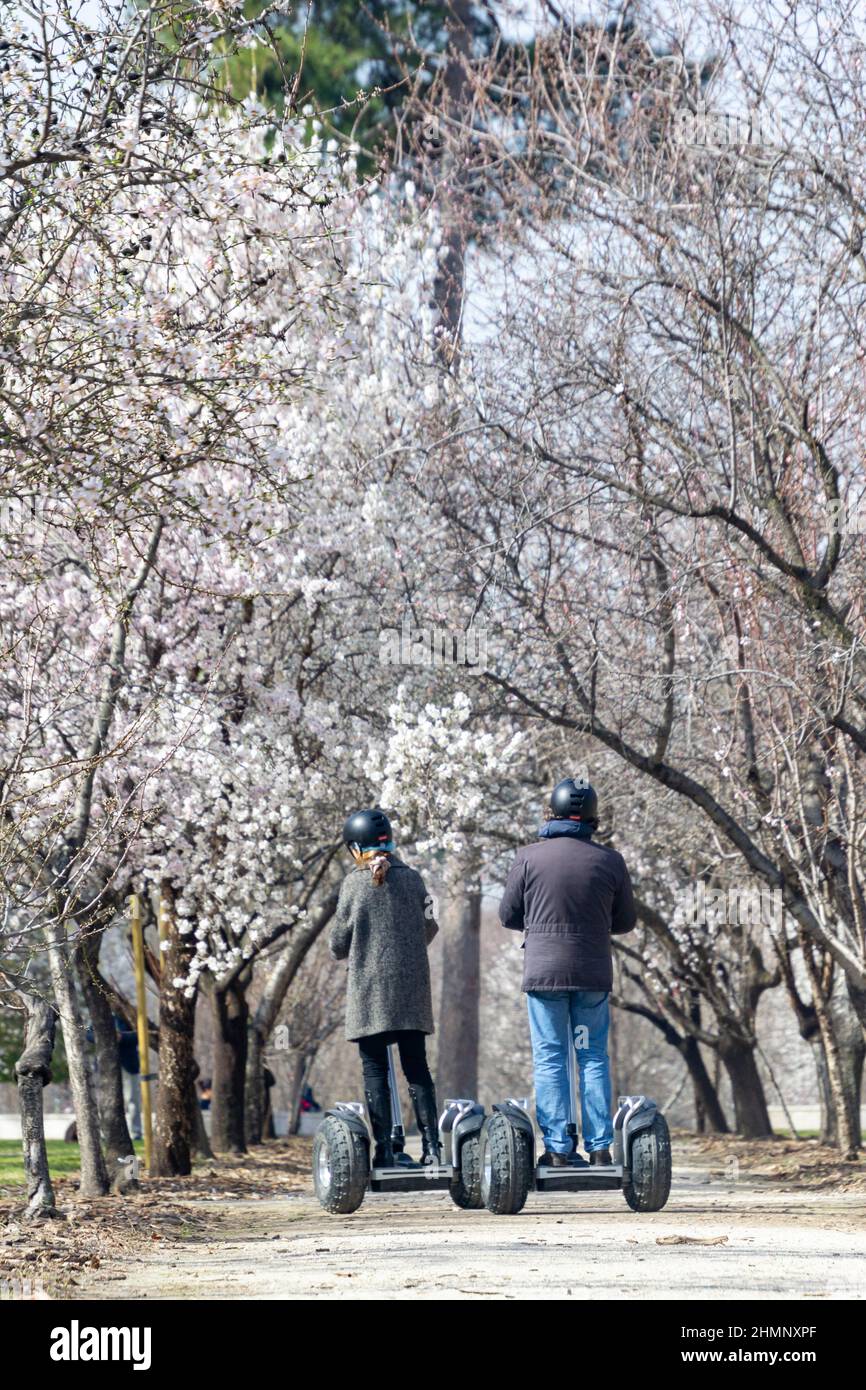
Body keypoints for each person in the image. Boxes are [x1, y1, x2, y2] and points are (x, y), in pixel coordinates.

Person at [498, 778, 636, 1167]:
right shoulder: (610, 861)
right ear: (592, 817)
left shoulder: (528, 857)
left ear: (552, 812)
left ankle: (558, 1150)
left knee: (550, 1058)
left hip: (543, 972)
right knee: (592, 1056)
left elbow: (508, 915)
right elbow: (625, 921)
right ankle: (599, 1148)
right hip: (591, 972)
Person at [330, 807, 440, 1167]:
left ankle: (385, 1152)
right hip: (411, 992)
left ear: (355, 848)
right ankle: (433, 1149)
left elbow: (338, 944)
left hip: (369, 992)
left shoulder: (352, 885)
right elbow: (430, 927)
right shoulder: (415, 880)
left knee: (375, 1070)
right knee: (417, 1068)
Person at [113, 1012, 143, 1142]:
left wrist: (121, 1037)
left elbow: (140, 1035)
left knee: (132, 1100)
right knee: (110, 1101)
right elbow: (89, 1035)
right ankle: (110, 1132)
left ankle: (136, 1132)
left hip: (129, 1066)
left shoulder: (128, 1016)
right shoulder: (100, 1015)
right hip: (108, 1066)